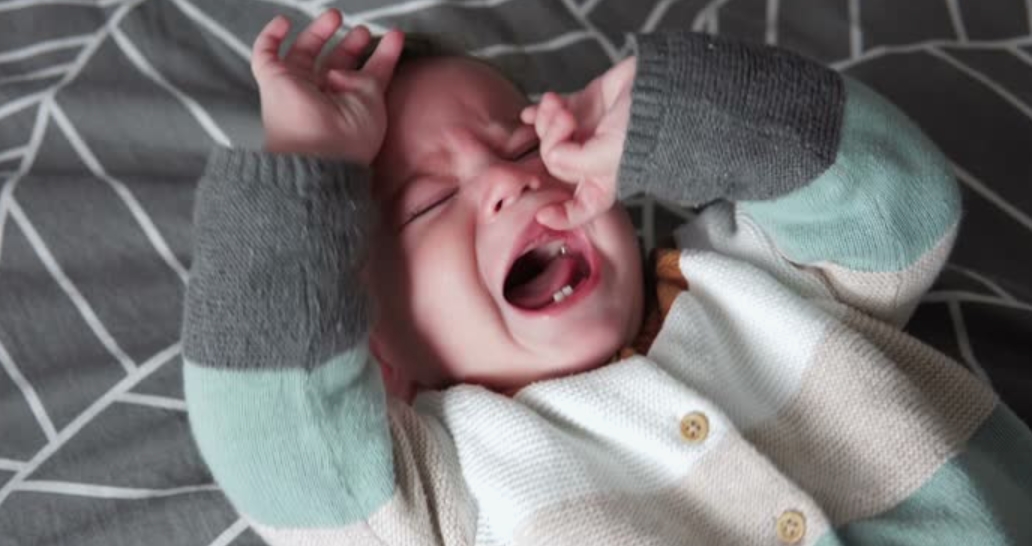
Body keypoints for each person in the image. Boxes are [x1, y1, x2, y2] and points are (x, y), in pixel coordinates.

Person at [181, 9, 1032, 546]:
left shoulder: (756, 278)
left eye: (528, 146)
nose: (510, 182)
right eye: (430, 203)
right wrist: (308, 159)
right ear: (380, 355)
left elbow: (894, 206)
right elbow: (278, 440)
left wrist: (674, 117)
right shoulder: (437, 487)